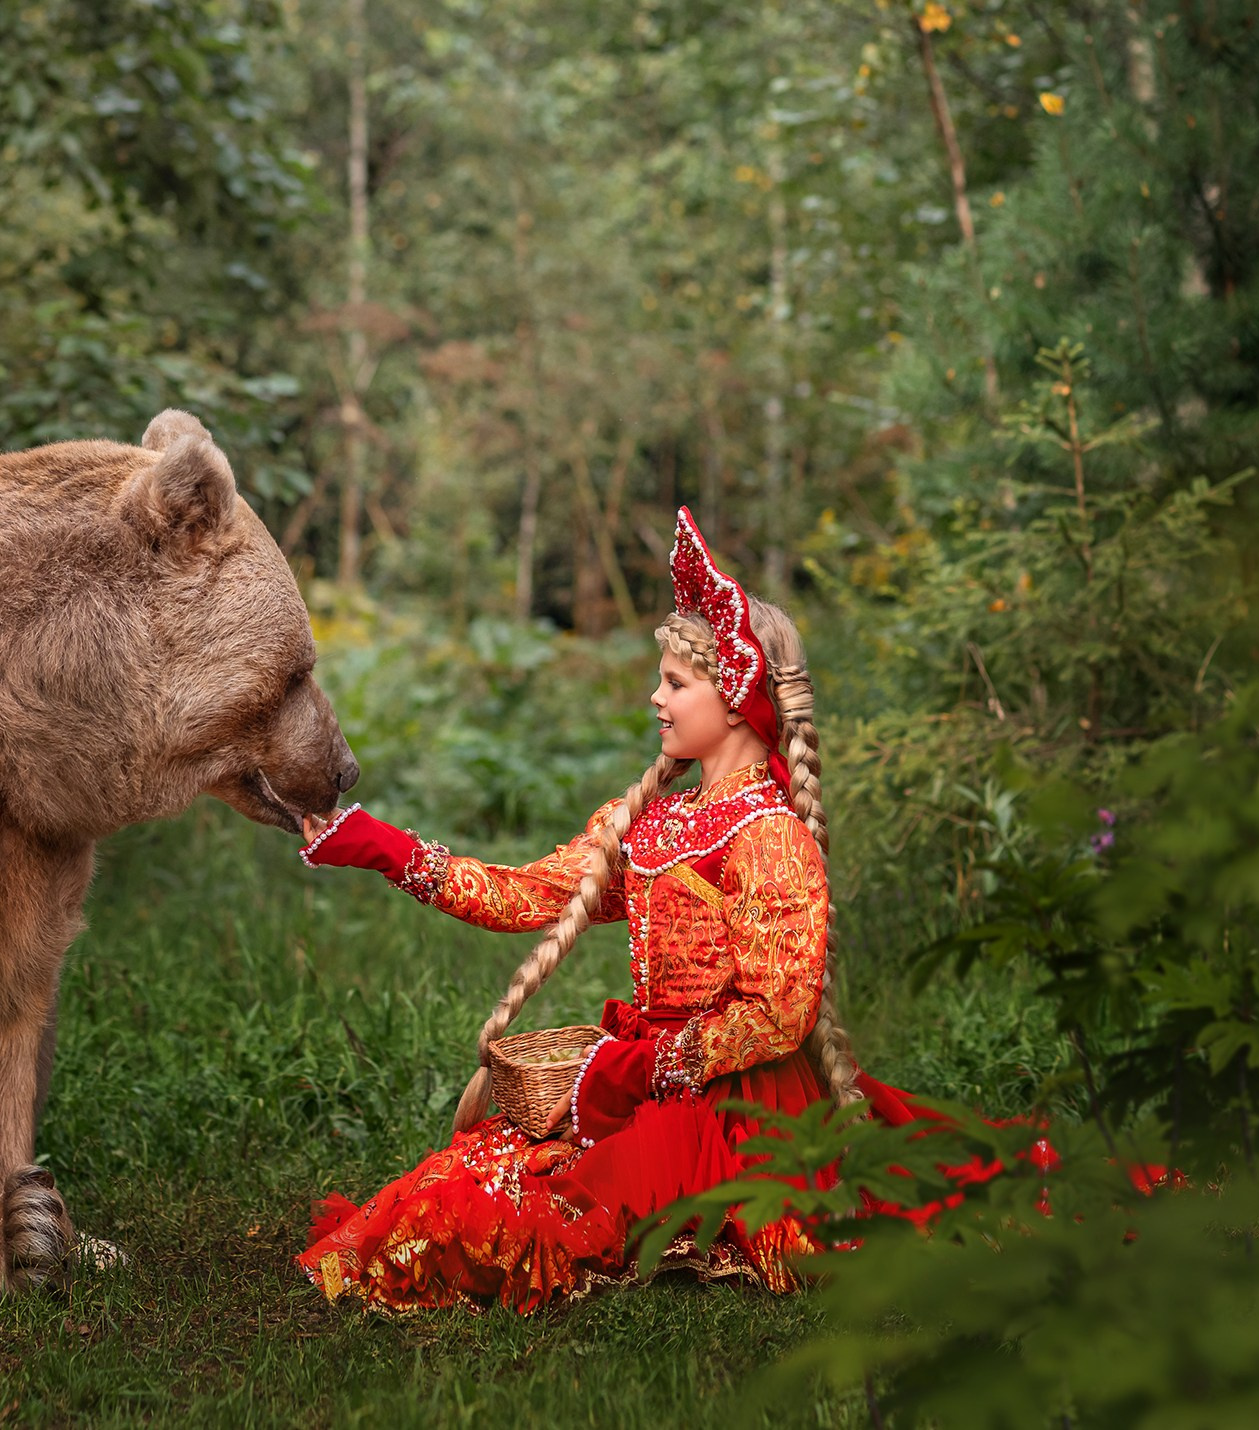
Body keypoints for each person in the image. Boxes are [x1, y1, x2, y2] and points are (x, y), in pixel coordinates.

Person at [292, 508, 930, 1311]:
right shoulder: (656, 823)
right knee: (465, 1181)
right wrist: (377, 845)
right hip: (643, 1084)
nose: (653, 698)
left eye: (674, 682)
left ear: (735, 695)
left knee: (529, 1216)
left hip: (734, 1107)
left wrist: (641, 1067)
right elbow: (529, 894)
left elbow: (779, 1014)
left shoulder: (768, 837)